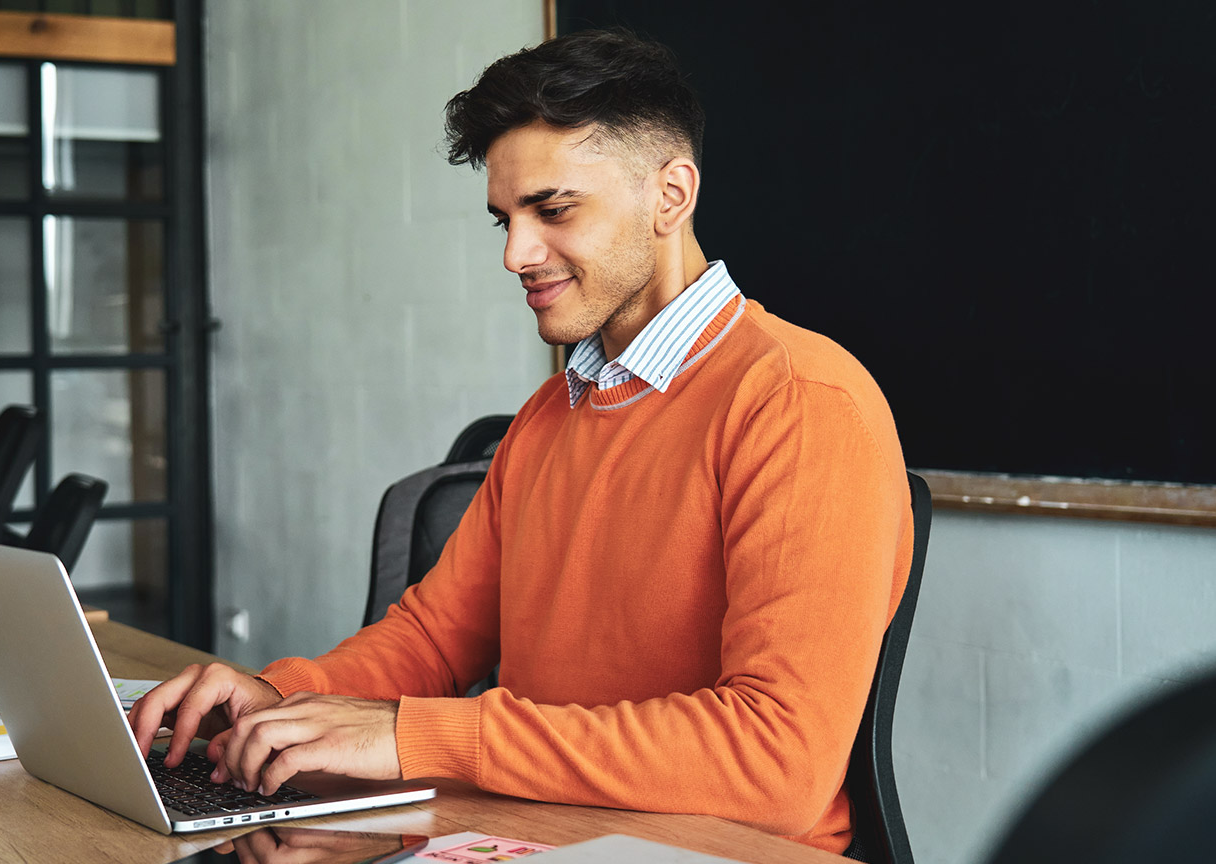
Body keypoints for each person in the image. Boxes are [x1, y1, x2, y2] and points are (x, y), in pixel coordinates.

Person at [130, 28, 913, 856]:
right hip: (532, 835)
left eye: (554, 209)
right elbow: (433, 640)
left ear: (671, 195)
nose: (515, 254)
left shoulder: (799, 401)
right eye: (505, 219)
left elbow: (776, 764)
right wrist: (276, 695)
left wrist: (418, 737)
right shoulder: (550, 416)